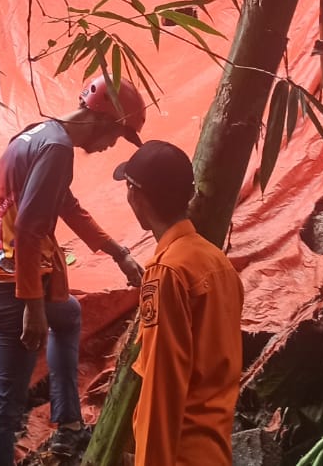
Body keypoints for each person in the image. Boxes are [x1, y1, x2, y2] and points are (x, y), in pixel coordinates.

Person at [0, 76, 149, 464]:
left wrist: (118, 252)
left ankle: (68, 426)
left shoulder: (40, 134)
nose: (110, 146)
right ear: (102, 118)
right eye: (117, 135)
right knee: (3, 403)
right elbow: (31, 227)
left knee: (68, 314)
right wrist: (31, 304)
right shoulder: (57, 148)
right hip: (9, 285)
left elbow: (65, 203)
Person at [115, 140, 244, 466]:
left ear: (136, 196)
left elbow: (163, 386)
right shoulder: (217, 261)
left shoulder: (167, 273)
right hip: (214, 449)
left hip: (179, 454)